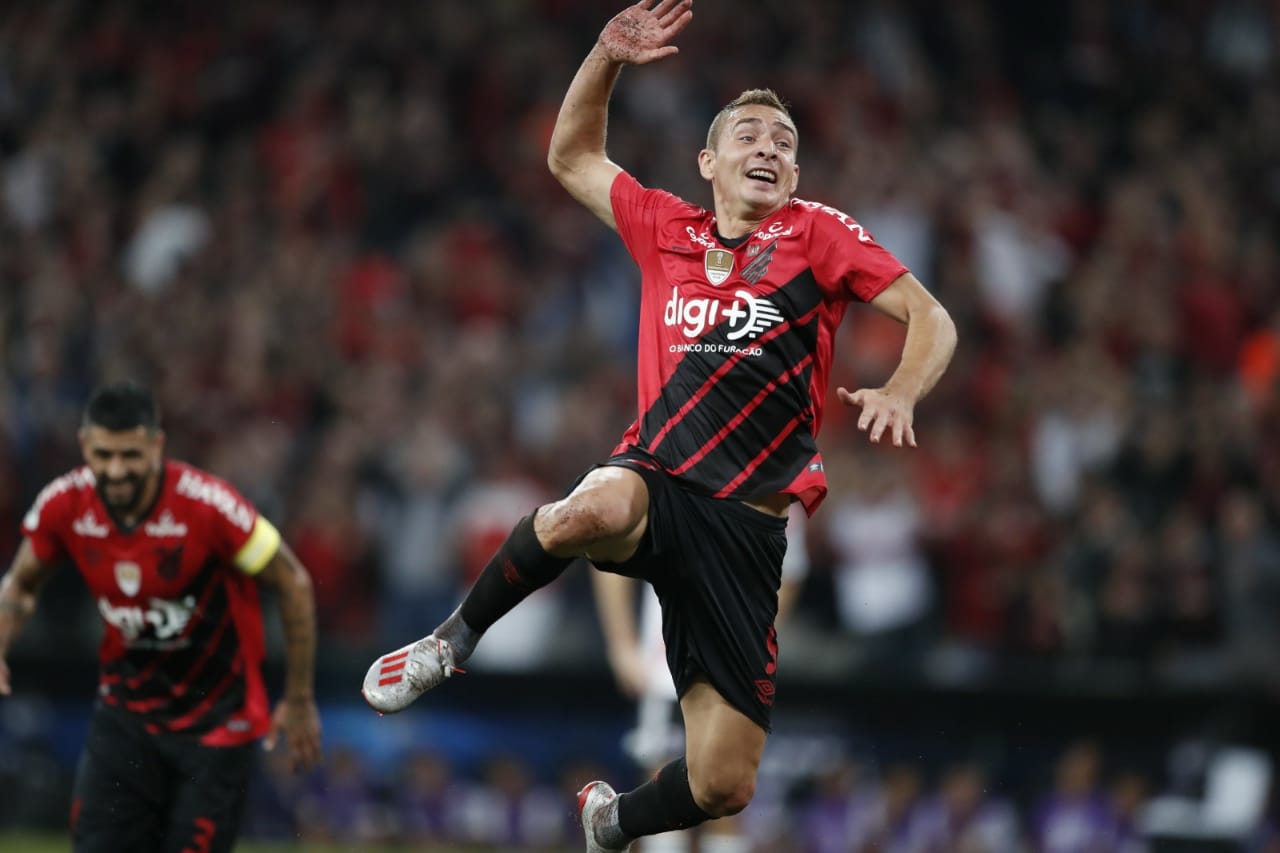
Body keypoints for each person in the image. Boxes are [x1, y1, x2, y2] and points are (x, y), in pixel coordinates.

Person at [362, 1, 957, 850]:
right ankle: (450, 641)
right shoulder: (665, 228)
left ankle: (613, 821)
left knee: (724, 783)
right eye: (750, 134)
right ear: (709, 161)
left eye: (785, 142)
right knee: (585, 510)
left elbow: (931, 318)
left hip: (746, 531)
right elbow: (569, 156)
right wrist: (605, 56)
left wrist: (902, 388)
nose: (770, 149)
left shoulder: (816, 235)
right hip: (659, 479)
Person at [0, 380, 323, 853]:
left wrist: (298, 698)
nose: (116, 470)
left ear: (157, 444)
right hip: (125, 717)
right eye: (104, 454)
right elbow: (22, 583)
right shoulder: (63, 505)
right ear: (85, 444)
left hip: (216, 724)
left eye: (130, 455)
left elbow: (292, 581)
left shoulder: (210, 507)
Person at [592, 503, 809, 853]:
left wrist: (758, 642)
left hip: (736, 670)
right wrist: (621, 645)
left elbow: (792, 573)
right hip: (666, 667)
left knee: (726, 795)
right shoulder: (673, 469)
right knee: (660, 789)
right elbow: (605, 546)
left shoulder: (777, 487)